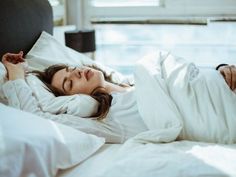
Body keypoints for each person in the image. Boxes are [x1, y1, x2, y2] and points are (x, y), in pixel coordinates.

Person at [2, 51, 236, 143]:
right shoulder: (102, 119)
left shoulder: (133, 83)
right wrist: (17, 73)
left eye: (72, 70)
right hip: (220, 112)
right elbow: (36, 116)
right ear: (70, 99)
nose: (77, 72)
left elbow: (182, 80)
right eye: (70, 83)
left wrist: (220, 69)